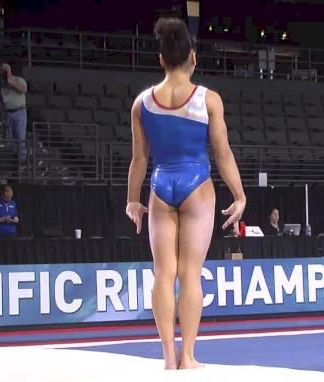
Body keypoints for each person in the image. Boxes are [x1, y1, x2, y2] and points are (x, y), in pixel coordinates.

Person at [125, 17, 245, 370]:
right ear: (193, 57)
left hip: (161, 187)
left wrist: (133, 199)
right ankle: (188, 356)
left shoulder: (142, 102)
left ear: (161, 59)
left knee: (164, 273)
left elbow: (139, 158)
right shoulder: (208, 99)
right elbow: (223, 153)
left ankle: (167, 356)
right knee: (190, 274)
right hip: (197, 185)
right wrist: (239, 195)